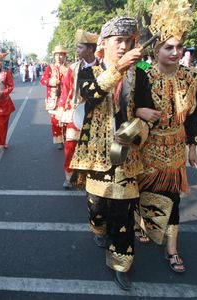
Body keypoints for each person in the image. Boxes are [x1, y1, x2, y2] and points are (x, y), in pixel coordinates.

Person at [69, 17, 157, 290]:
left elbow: (149, 112)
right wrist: (118, 68)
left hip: (127, 154)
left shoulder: (140, 74)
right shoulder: (88, 72)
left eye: (128, 41)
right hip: (95, 152)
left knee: (123, 213)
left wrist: (141, 123)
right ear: (103, 44)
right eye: (118, 41)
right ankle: (97, 227)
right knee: (97, 207)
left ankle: (121, 262)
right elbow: (92, 94)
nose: (123, 46)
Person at [135, 0, 197, 273]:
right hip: (147, 146)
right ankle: (144, 224)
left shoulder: (193, 77)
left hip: (175, 146)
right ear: (156, 49)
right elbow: (127, 109)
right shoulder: (142, 75)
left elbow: (194, 115)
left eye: (179, 47)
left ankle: (172, 248)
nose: (175, 53)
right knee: (144, 191)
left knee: (172, 198)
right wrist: (140, 110)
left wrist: (192, 145)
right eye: (169, 47)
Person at [58, 29, 98, 189]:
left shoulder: (103, 67)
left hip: (96, 114)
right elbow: (66, 89)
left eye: (80, 47)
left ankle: (90, 177)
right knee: (70, 146)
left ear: (90, 49)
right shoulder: (73, 68)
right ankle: (69, 177)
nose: (77, 50)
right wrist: (62, 108)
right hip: (75, 113)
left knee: (92, 146)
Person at [40, 45, 68, 149]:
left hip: (65, 97)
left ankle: (66, 138)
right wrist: (52, 81)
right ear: (54, 56)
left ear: (64, 56)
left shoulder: (69, 67)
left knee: (65, 119)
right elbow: (43, 80)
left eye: (61, 54)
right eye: (57, 54)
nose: (59, 57)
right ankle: (58, 140)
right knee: (55, 120)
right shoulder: (49, 68)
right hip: (53, 98)